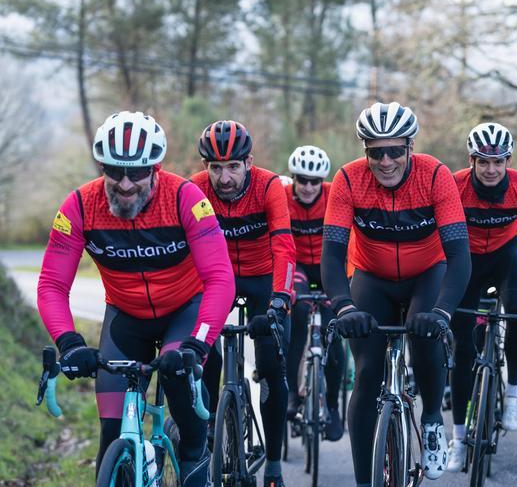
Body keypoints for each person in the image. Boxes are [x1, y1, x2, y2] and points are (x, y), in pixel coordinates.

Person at [37, 111, 234, 486]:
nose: (125, 184)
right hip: (125, 320)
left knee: (178, 375)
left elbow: (220, 277)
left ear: (155, 168)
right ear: (101, 166)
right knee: (111, 433)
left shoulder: (185, 198)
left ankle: (195, 458)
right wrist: (69, 342)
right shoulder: (78, 207)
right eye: (114, 171)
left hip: (184, 312)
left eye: (137, 173)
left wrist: (200, 343)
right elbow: (51, 284)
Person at [321, 101, 471, 484]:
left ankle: (434, 418)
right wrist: (342, 307)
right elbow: (333, 255)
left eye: (394, 151)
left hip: (427, 273)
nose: (385, 161)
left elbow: (458, 256)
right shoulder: (349, 180)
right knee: (368, 373)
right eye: (375, 151)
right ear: (364, 152)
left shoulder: (436, 175)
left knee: (425, 340)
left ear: (410, 147)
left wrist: (441, 313)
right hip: (372, 276)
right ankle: (363, 480)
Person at [190, 120, 296, 487]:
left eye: (233, 166)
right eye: (215, 167)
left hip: (261, 278)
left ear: (249, 162)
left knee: (270, 365)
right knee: (205, 355)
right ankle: (205, 438)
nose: (224, 177)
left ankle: (274, 465)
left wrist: (279, 301)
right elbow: (185, 251)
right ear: (206, 167)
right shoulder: (195, 190)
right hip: (214, 279)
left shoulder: (269, 186)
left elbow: (283, 245)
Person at [446, 122, 517, 472]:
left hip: (507, 258)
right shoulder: (454, 185)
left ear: (508, 161)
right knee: (462, 350)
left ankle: (512, 393)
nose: (491, 170)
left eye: (498, 162)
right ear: (472, 160)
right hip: (467, 262)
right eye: (483, 162)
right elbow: (437, 239)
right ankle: (458, 440)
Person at [283, 144, 345, 441]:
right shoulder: (282, 198)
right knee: (297, 315)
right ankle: (293, 394)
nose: (308, 187)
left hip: (328, 267)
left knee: (335, 330)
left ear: (323, 181)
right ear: (293, 178)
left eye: (314, 181)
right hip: (298, 267)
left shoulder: (335, 195)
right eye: (302, 180)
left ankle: (332, 407)